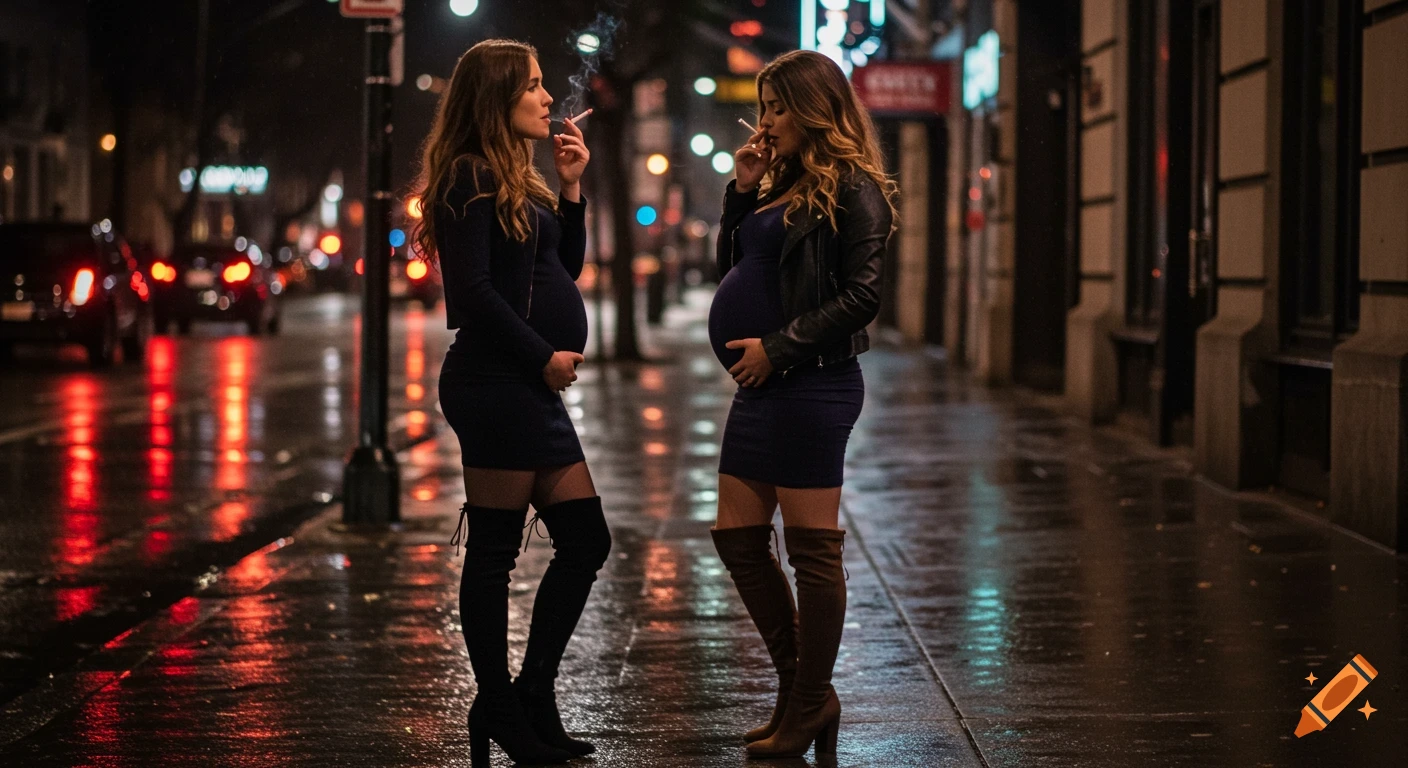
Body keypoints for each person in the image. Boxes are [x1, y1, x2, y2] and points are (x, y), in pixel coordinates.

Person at [409, 39, 609, 767]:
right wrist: (542, 357)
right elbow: (472, 297)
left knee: (586, 541)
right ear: (497, 97)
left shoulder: (513, 177)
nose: (547, 97)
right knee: (495, 554)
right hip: (496, 384)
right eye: (532, 86)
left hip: (528, 385)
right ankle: (499, 704)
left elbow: (563, 268)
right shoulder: (468, 177)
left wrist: (573, 191)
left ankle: (531, 694)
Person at [706, 49, 898, 760]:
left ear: (814, 108)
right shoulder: (776, 182)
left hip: (812, 383)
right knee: (736, 536)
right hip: (760, 387)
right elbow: (732, 271)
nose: (766, 122)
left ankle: (810, 699)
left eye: (777, 107)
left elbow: (863, 297)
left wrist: (779, 347)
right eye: (762, 107)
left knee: (813, 550)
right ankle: (802, 688)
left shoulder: (857, 189)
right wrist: (741, 191)